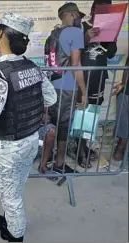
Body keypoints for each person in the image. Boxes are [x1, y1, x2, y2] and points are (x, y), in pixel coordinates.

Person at [0, 12, 57, 241]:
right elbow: (51, 98)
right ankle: (13, 220)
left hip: (7, 148)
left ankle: (16, 235)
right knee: (16, 190)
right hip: (30, 140)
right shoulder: (32, 67)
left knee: (10, 197)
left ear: (3, 34)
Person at [46, 3, 87, 174]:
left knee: (52, 125)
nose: (79, 20)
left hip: (51, 86)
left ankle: (46, 160)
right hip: (67, 87)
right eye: (78, 15)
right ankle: (59, 163)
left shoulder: (53, 34)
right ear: (71, 14)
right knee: (64, 125)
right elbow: (76, 64)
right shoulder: (75, 32)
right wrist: (84, 92)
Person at [76, 0, 117, 168]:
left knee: (92, 115)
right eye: (100, 9)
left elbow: (111, 54)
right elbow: (73, 50)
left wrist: (108, 39)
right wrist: (87, 37)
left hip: (99, 77)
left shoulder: (110, 28)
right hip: (83, 79)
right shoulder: (81, 26)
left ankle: (86, 145)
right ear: (93, 10)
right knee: (80, 113)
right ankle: (80, 150)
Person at [112, 56, 129, 162]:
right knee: (123, 123)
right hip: (126, 93)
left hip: (126, 92)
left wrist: (123, 84)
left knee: (123, 123)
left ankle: (120, 148)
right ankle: (120, 148)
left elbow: (127, 68)